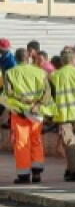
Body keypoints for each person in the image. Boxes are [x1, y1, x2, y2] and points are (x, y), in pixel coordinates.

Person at [4, 48, 50, 183]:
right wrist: (37, 105)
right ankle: (37, 172)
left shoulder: (10, 73)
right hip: (36, 112)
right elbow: (47, 93)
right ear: (29, 57)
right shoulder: (40, 72)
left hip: (19, 113)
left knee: (21, 142)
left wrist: (19, 107)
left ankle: (23, 175)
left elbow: (8, 94)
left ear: (16, 59)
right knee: (36, 139)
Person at [48, 47, 75, 182]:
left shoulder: (55, 75)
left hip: (63, 114)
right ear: (73, 60)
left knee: (69, 142)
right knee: (73, 142)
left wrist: (49, 115)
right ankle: (70, 169)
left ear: (61, 62)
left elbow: (50, 97)